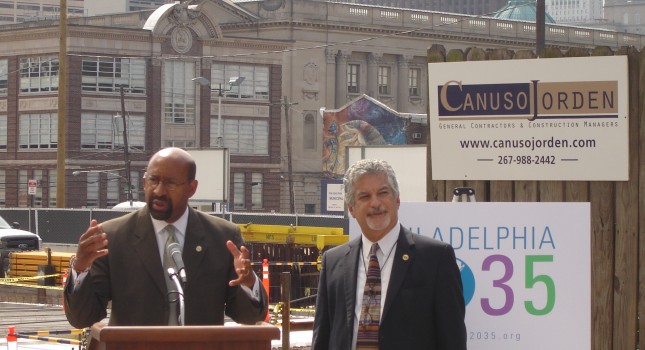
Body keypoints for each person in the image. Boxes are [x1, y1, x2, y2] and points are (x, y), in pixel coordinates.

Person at [64, 147, 267, 328]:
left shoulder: (223, 237)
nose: (159, 191)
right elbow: (82, 318)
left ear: (191, 188)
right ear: (144, 182)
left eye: (170, 183)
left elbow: (248, 317)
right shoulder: (113, 237)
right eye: (153, 180)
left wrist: (248, 283)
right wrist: (81, 269)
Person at [312, 159, 467, 350]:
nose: (375, 203)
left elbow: (453, 340)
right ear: (351, 208)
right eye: (364, 196)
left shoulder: (436, 258)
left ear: (397, 199)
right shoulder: (334, 261)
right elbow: (322, 338)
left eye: (383, 193)